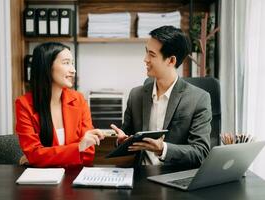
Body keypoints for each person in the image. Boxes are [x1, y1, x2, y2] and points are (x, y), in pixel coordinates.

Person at [111, 26, 212, 168]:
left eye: (152, 55)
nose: (145, 59)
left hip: (174, 179)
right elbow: (127, 140)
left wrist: (163, 149)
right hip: (140, 177)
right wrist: (122, 142)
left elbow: (200, 152)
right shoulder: (136, 95)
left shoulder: (199, 99)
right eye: (146, 52)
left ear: (171, 61)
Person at [15, 42, 105, 168]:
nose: (73, 70)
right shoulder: (24, 104)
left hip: (73, 177)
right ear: (47, 66)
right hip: (42, 182)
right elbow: (34, 154)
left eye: (72, 63)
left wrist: (43, 157)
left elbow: (87, 153)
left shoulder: (78, 100)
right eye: (66, 63)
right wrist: (78, 147)